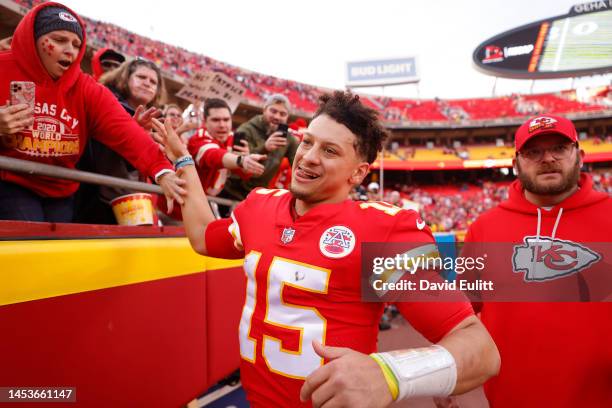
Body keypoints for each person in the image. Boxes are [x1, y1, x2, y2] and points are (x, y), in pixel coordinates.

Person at [153, 91, 500, 407]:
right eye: (308, 143)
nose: (308, 158)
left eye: (330, 151)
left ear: (358, 173)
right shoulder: (259, 206)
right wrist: (183, 160)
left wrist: (392, 374)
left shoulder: (381, 233)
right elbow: (201, 237)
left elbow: (480, 350)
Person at [464, 115, 612, 407]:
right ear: (517, 163)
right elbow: (463, 312)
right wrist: (448, 370)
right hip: (511, 397)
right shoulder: (484, 228)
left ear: (579, 156)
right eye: (534, 152)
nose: (547, 159)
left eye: (559, 148)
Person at [0, 2, 184, 222]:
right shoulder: (3, 67)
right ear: (33, 40)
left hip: (61, 188)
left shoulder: (86, 88)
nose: (70, 50)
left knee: (55, 250)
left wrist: (161, 170)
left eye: (77, 44)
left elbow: (125, 131)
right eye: (59, 40)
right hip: (11, 180)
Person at [75, 58, 167, 224]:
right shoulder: (105, 102)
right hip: (99, 201)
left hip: (134, 202)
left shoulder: (154, 120)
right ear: (125, 78)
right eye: (141, 77)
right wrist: (132, 134)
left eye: (153, 82)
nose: (147, 83)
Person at [221, 93, 299, 201]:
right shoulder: (246, 130)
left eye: (282, 114)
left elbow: (298, 162)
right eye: (273, 111)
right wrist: (265, 148)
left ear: (287, 117)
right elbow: (236, 161)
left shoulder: (288, 139)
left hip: (259, 195)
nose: (277, 117)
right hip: (233, 192)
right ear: (264, 110)